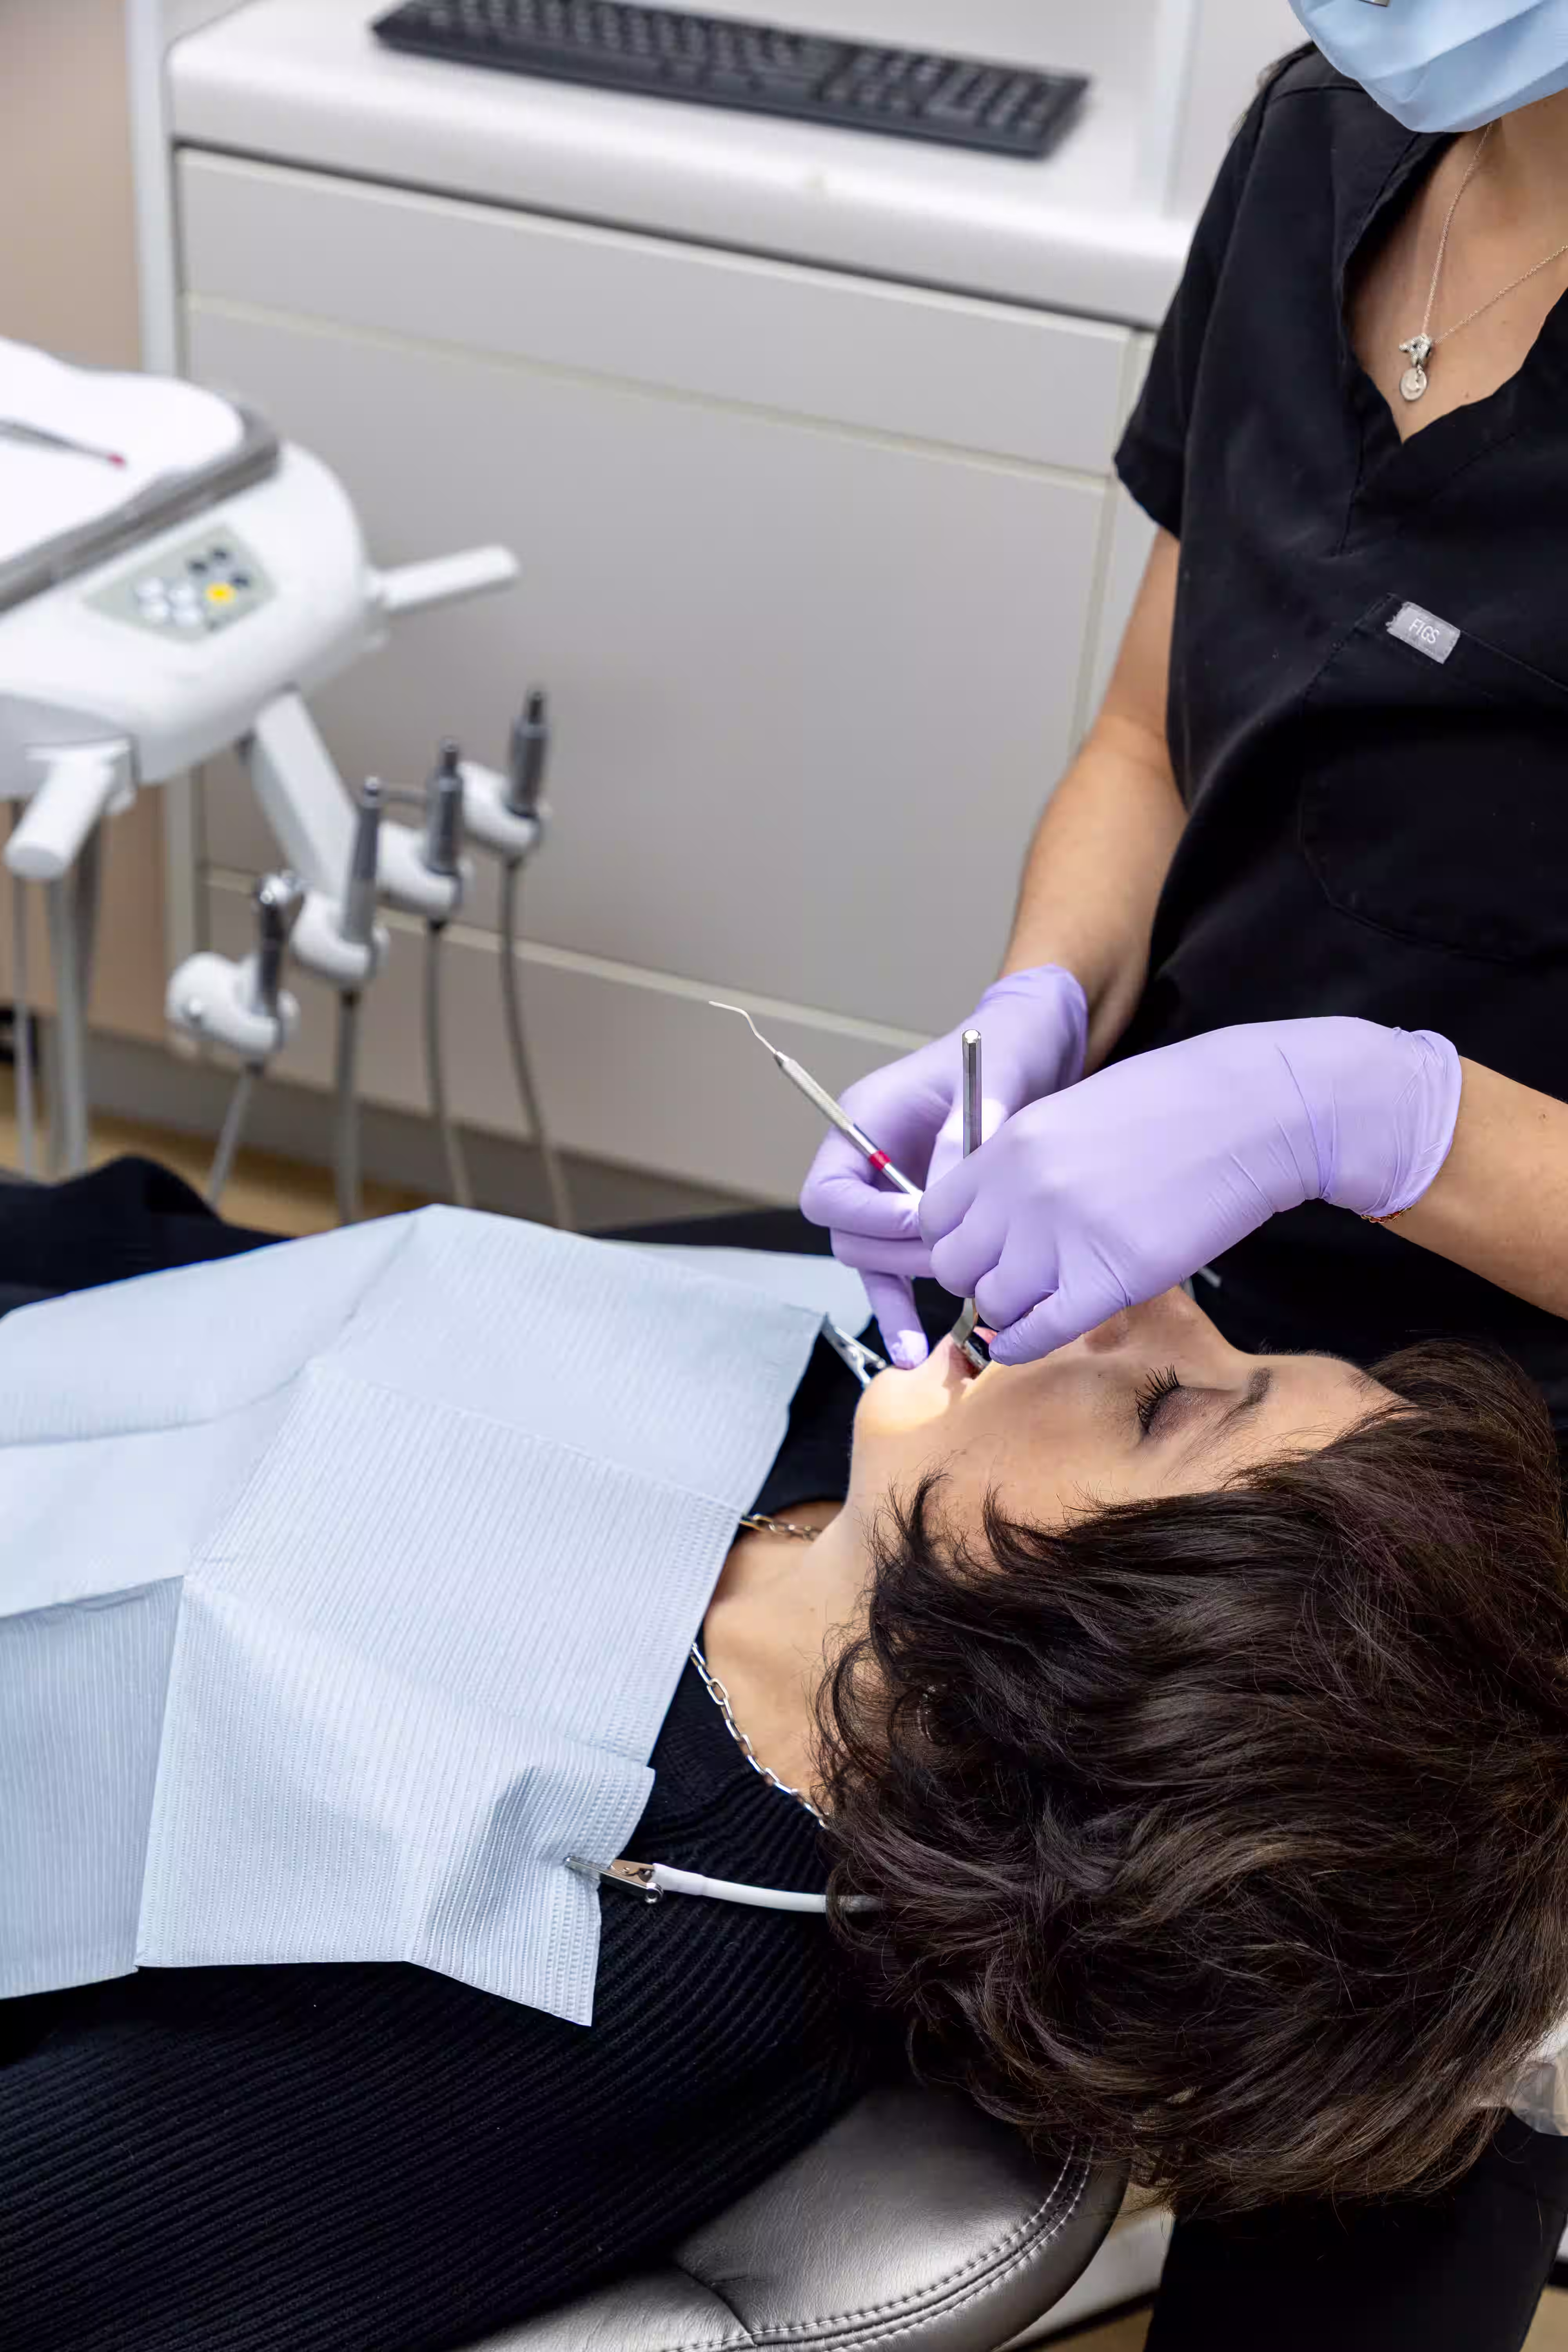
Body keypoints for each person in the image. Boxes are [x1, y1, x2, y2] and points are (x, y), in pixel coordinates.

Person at [7, 1164, 1568, 2351]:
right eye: (1235, 1338)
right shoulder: (833, 1383)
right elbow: (237, 1292)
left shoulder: (568, 1953)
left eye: (1165, 1405)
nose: (1142, 1290)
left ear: (1103, 1688)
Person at [802, 18, 1568, 2343]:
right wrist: (1044, 1003)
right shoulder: (1331, 136)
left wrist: (1380, 1109)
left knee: (1343, 2140)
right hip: (1170, 1252)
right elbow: (1149, 733)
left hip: (1481, 1498)